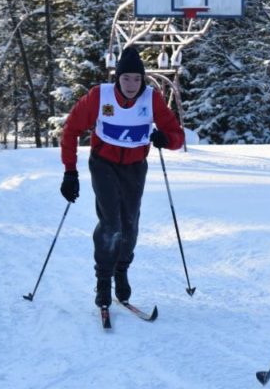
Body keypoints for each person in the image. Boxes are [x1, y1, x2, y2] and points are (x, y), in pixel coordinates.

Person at [59, 45, 186, 307]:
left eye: (136, 79)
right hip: (103, 164)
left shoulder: (151, 99)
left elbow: (177, 136)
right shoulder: (99, 96)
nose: (131, 84)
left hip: (135, 166)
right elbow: (70, 130)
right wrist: (70, 172)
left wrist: (165, 139)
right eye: (126, 78)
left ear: (143, 80)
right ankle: (103, 279)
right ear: (117, 78)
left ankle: (121, 270)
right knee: (111, 223)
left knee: (129, 224)